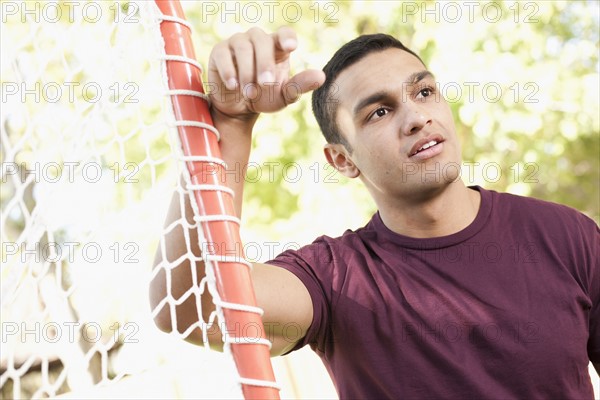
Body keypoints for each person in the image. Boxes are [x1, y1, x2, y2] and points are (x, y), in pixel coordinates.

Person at [150, 27, 599, 398]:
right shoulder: (336, 279)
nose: (417, 117)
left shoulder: (567, 234)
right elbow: (194, 307)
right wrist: (231, 127)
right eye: (379, 112)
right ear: (342, 160)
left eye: (424, 92)